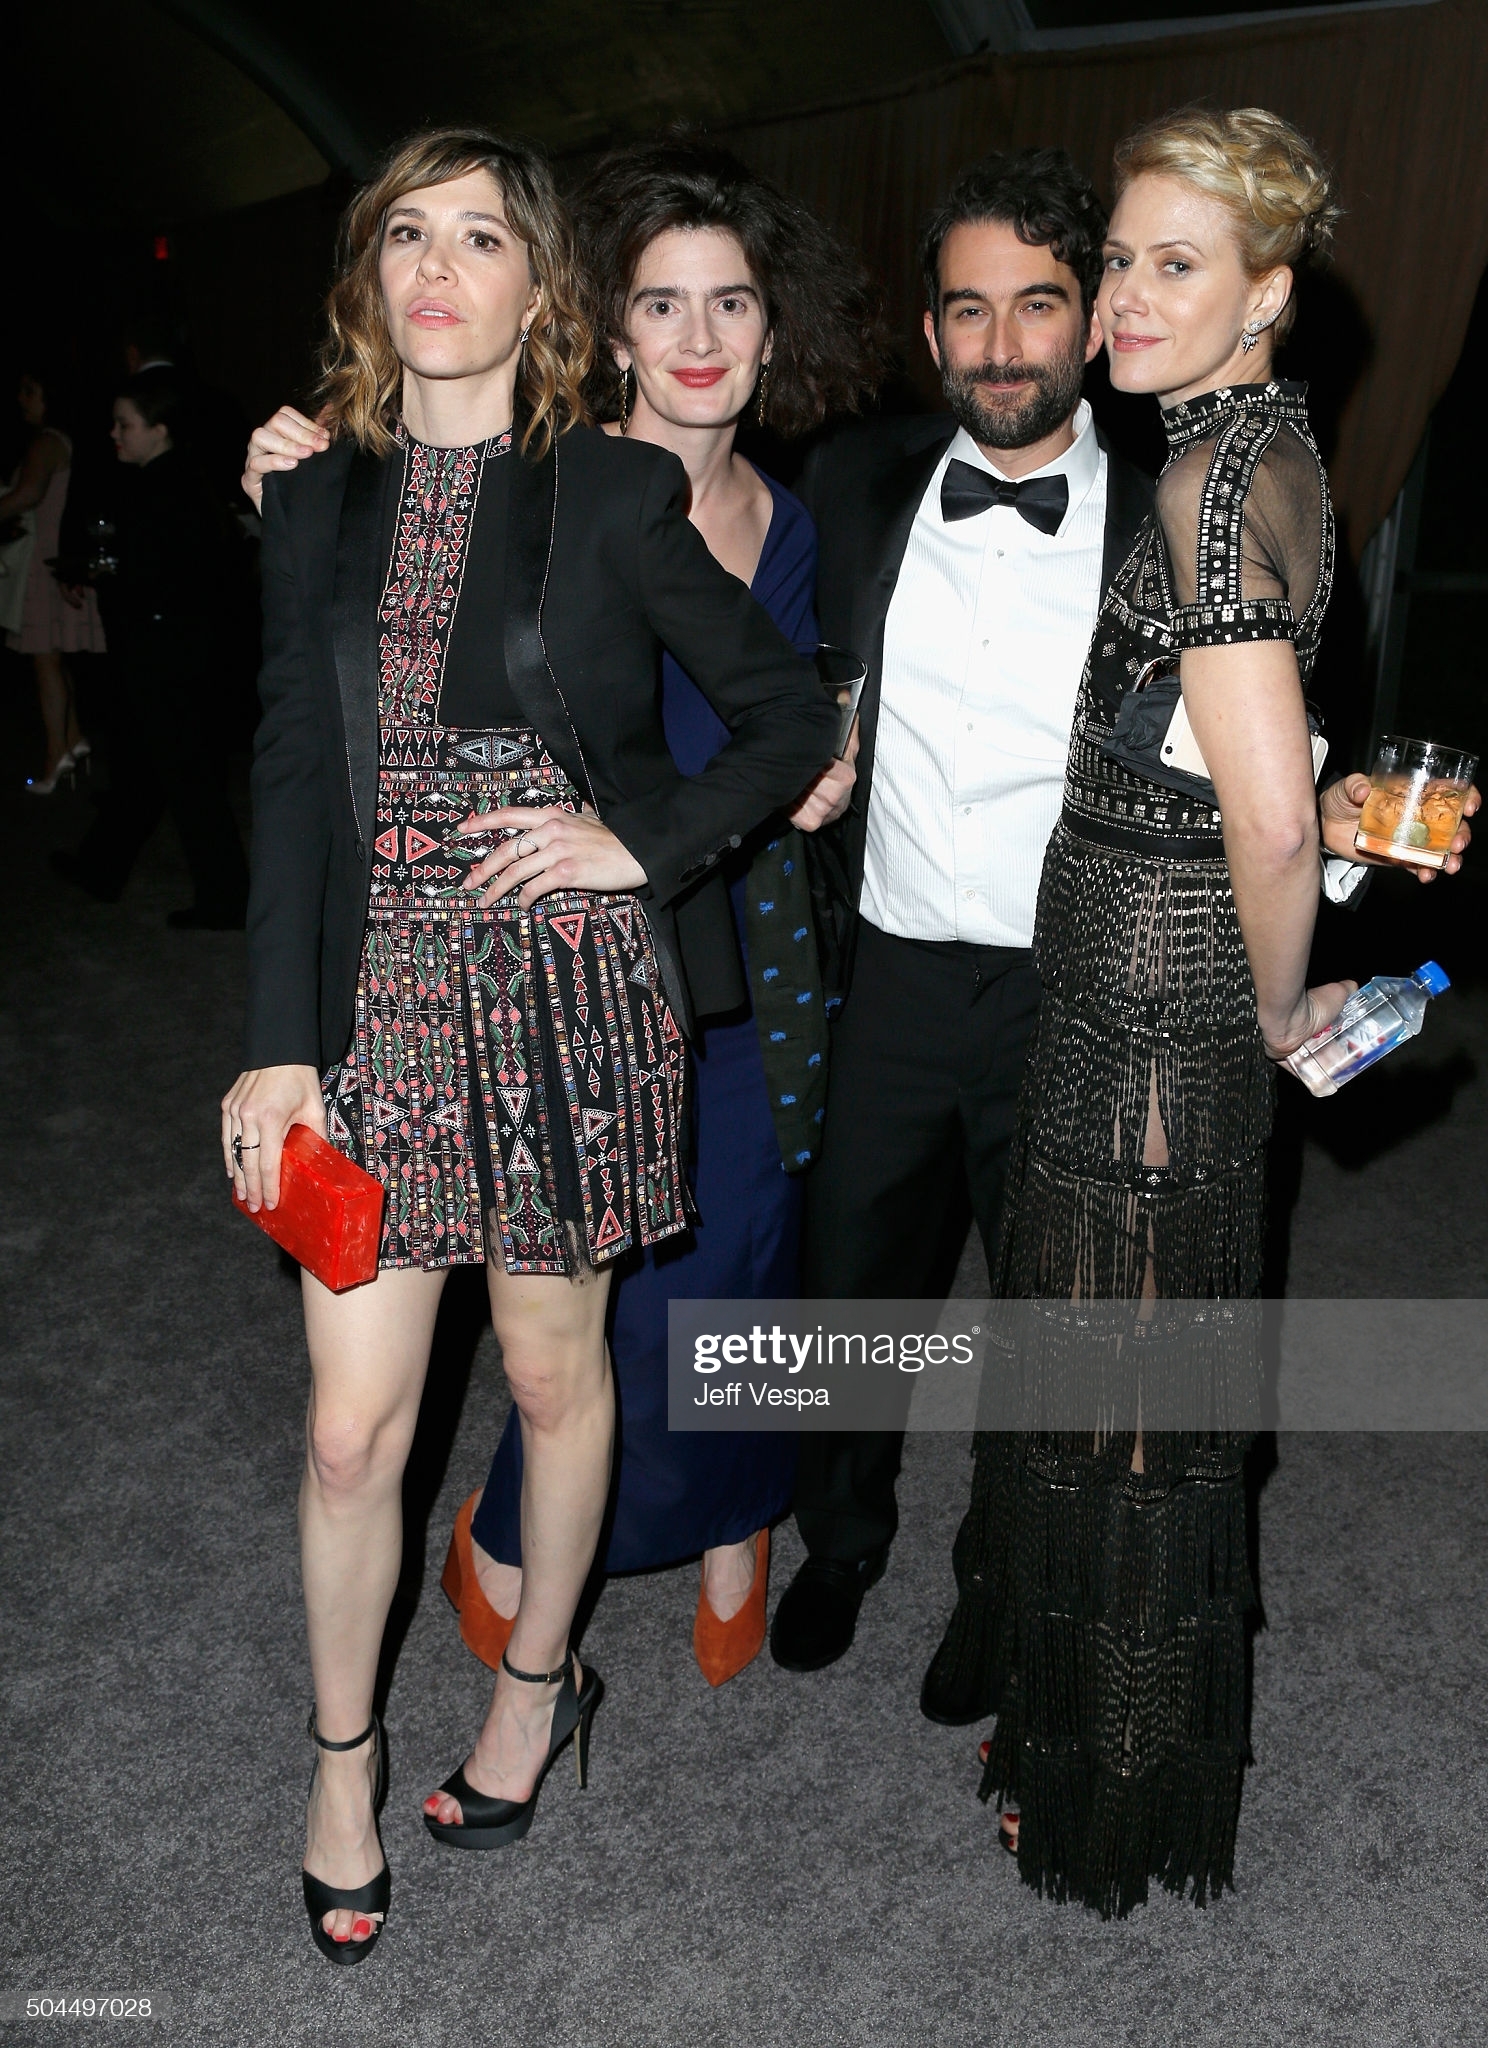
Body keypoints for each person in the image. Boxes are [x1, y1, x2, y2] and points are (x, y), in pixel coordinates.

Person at [222, 126, 835, 1966]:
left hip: (567, 1003)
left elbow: (785, 713)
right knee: (353, 1435)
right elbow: (288, 770)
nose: (438, 266)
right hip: (374, 1015)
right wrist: (275, 1045)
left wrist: (636, 842)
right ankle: (342, 1763)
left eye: (481, 236)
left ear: (538, 287)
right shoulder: (312, 501)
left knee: (558, 1387)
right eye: (406, 233)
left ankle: (538, 1687)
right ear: (370, 276)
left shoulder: (612, 492)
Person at [929, 106, 1364, 1917]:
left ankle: (1102, 1785)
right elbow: (1241, 756)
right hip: (1142, 950)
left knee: (1119, 1400)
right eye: (1117, 256)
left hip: (1155, 985)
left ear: (1265, 293)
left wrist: (1277, 1006)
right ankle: (1067, 1718)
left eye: (1174, 264)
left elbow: (1264, 819)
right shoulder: (1266, 450)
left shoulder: (1205, 482)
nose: (1120, 293)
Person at [768, 150, 1156, 1681]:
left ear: (1095, 321)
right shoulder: (852, 480)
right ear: (931, 332)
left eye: (1037, 306)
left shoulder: (1177, 515)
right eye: (970, 310)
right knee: (849, 1282)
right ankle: (840, 1540)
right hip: (891, 968)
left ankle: (999, 1583)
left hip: (1079, 981)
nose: (1002, 345)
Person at [49, 369, 249, 926]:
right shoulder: (172, 479)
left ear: (159, 429)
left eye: (125, 424)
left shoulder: (166, 486)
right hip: (174, 649)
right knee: (149, 768)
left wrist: (102, 572)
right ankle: (103, 867)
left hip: (168, 653)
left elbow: (168, 575)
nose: (114, 434)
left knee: (183, 775)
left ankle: (225, 899)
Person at [0, 372, 103, 791]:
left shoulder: (48, 441)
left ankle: (56, 754)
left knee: (45, 661)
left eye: (30, 391)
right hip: (52, 558)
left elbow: (28, 495)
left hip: (44, 563)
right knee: (53, 660)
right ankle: (73, 741)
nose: (21, 399)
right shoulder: (66, 438)